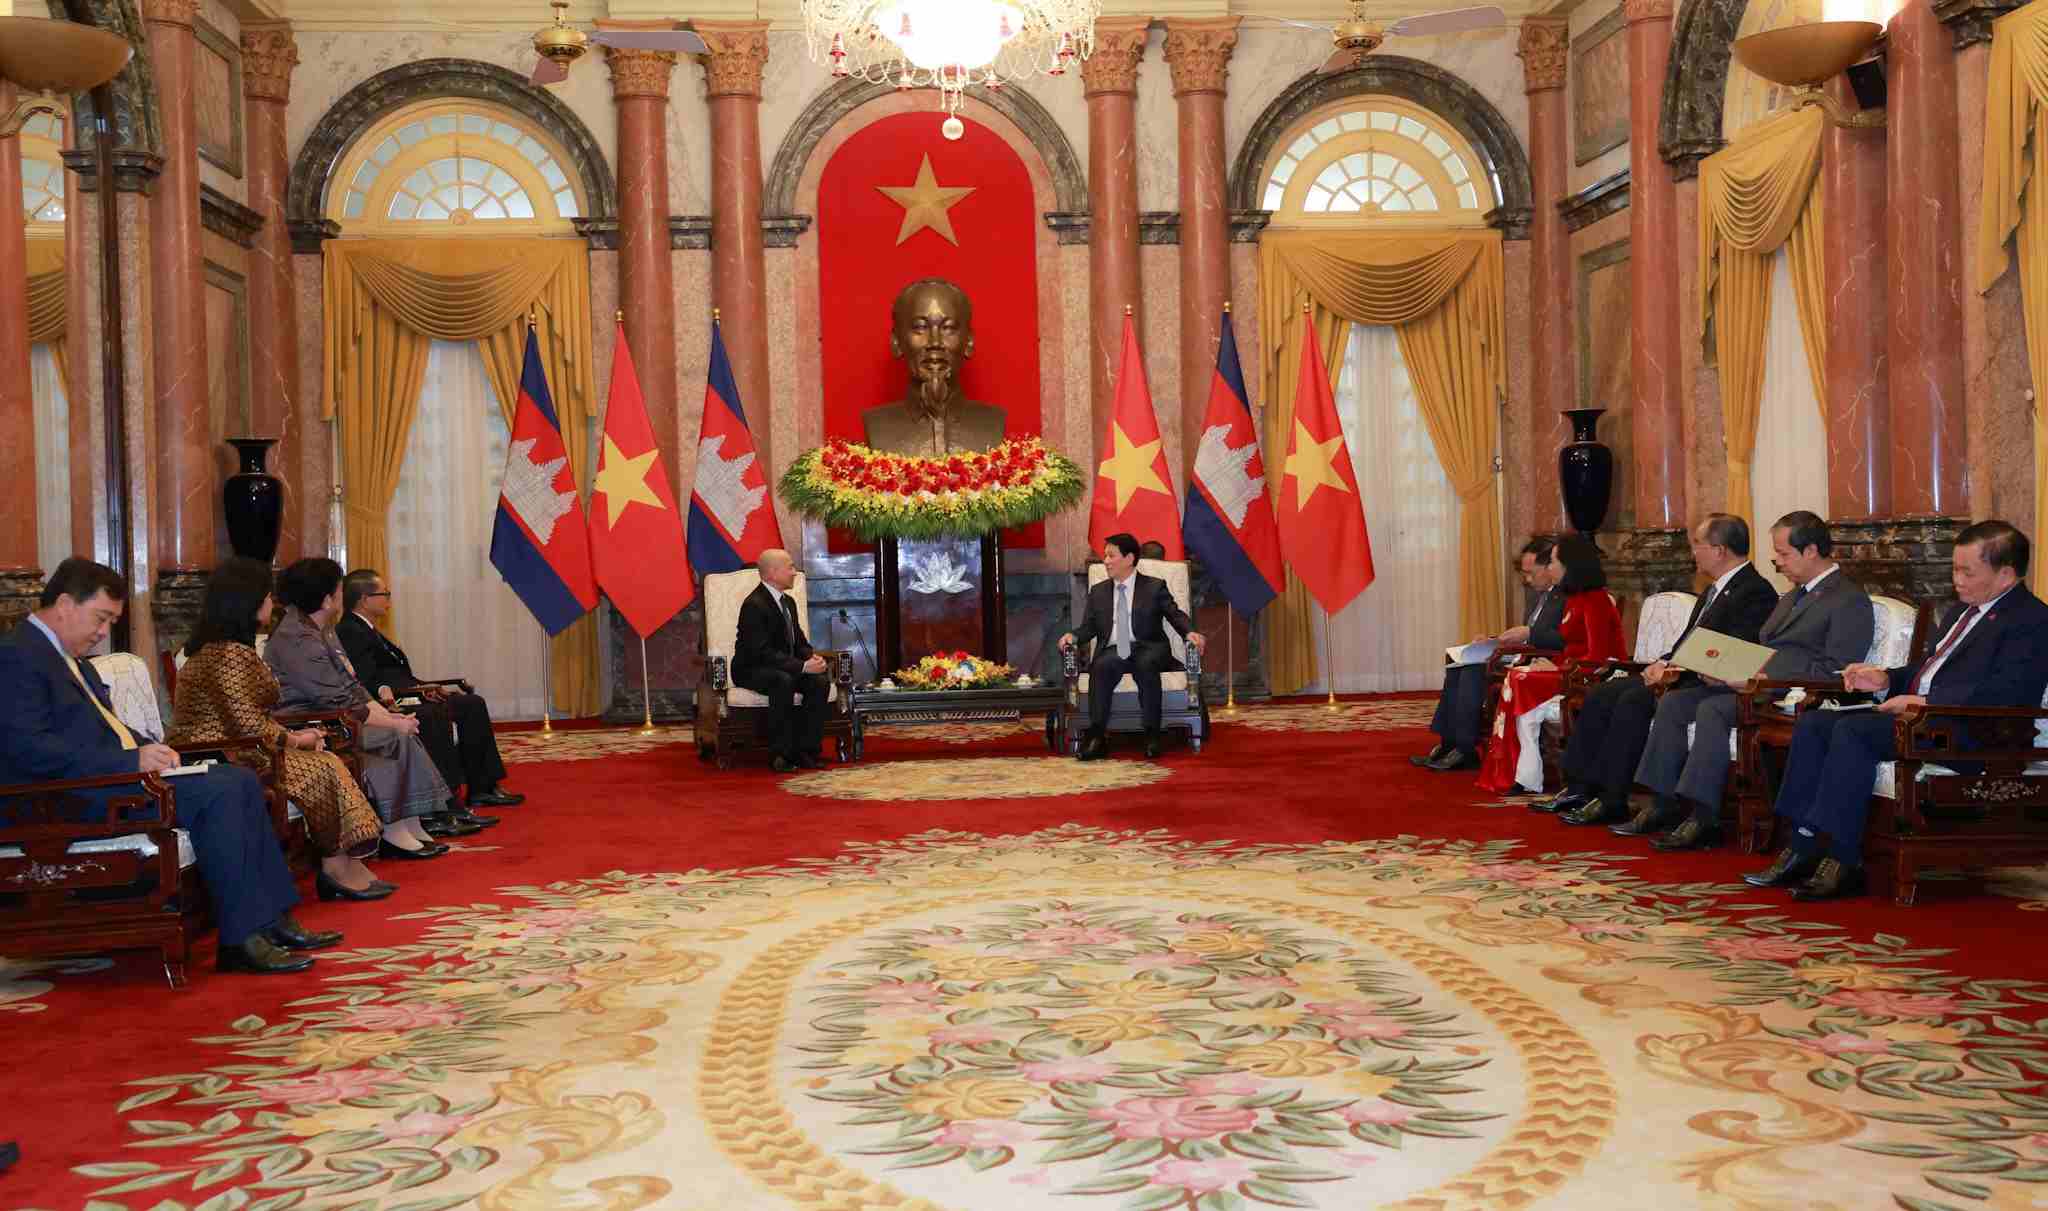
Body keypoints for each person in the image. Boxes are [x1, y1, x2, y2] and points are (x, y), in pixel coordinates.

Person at [0, 558, 338, 974]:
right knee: (221, 790)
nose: (103, 632)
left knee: (241, 780)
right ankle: (240, 940)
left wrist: (150, 748)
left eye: (110, 622)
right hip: (62, 796)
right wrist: (129, 760)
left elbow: (107, 729)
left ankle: (272, 920)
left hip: (106, 779)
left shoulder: (68, 656)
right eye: (101, 618)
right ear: (66, 604)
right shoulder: (17, 656)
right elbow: (27, 749)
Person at [1745, 520, 2048, 900]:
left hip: (1974, 731)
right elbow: (1927, 671)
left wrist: (1927, 702)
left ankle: (1843, 859)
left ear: (2005, 574)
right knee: (1816, 723)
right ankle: (1801, 843)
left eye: (1967, 572)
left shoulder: (2031, 620)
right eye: (1954, 569)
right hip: (1925, 719)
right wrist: (1885, 679)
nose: (1956, 580)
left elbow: (2010, 693)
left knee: (1852, 731)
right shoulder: (1961, 611)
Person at [1623, 511, 1874, 851]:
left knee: (1712, 709)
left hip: (1787, 693)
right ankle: (1662, 802)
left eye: (1783, 554)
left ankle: (1704, 817)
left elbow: (1837, 668)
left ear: (1811, 551)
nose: (1778, 563)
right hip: (1754, 683)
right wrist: (1725, 667)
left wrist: (1767, 676)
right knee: (1675, 702)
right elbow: (1761, 645)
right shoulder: (1793, 596)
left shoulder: (1847, 599)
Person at [170, 557, 395, 903]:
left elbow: (252, 716)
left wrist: (295, 737)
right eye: (266, 596)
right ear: (247, 602)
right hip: (220, 754)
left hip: (244, 745)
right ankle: (336, 866)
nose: (272, 603)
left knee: (326, 762)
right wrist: (295, 739)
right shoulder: (226, 654)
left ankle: (344, 862)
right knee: (322, 768)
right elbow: (246, 722)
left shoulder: (231, 648)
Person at [1539, 513, 1779, 826]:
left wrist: (1676, 667)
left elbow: (1736, 648)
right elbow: (1687, 642)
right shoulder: (1714, 590)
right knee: (1603, 694)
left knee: (1632, 701)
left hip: (1704, 681)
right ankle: (1581, 787)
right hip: (1682, 672)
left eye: (1698, 544)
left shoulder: (1755, 590)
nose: (1693, 552)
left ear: (1719, 550)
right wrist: (1663, 662)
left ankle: (1614, 799)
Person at [265, 558, 453, 859]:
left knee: (401, 731)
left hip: (337, 714)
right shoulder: (296, 638)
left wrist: (389, 715)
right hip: (312, 722)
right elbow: (333, 700)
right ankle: (393, 829)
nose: (343, 594)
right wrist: (392, 725)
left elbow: (351, 684)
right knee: (392, 737)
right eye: (339, 588)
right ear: (327, 599)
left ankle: (411, 821)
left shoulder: (322, 628)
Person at [338, 569, 520, 817]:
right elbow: (369, 680)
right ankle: (445, 803)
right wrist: (421, 692)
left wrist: (426, 687)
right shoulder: (350, 630)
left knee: (472, 703)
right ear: (364, 599)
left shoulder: (367, 628)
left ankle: (482, 786)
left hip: (409, 692)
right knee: (433, 714)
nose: (389, 599)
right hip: (391, 700)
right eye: (385, 593)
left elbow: (394, 673)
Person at [1476, 537, 1627, 794]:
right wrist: (1549, 663)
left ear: (1570, 565)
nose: (1549, 568)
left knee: (1521, 682)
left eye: (1554, 562)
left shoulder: (1596, 601)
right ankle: (1525, 776)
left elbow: (1597, 657)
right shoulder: (1574, 599)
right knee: (1519, 680)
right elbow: (1571, 649)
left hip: (1595, 678)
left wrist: (1556, 669)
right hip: (1571, 672)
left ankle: (1524, 776)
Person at [1415, 537, 1566, 772]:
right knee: (1458, 664)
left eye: (1531, 573)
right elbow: (1525, 634)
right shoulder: (1538, 594)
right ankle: (1449, 742)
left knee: (1473, 670)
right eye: (1524, 573)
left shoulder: (1565, 597)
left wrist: (1529, 633)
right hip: (1523, 653)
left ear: (1549, 567)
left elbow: (1562, 639)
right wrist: (1494, 639)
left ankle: (1465, 749)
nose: (1527, 580)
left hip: (1542, 661)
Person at [1060, 532, 1207, 760]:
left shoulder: (1154, 586)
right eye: (1105, 556)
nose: (1106, 561)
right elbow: (1089, 627)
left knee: (1145, 665)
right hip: (1114, 649)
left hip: (1149, 647)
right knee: (1100, 667)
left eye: (1111, 555)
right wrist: (1073, 636)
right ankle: (1097, 737)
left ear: (1129, 558)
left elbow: (1175, 614)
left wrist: (1190, 632)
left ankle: (1152, 735)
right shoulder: (1099, 592)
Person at [860, 278, 1007, 455]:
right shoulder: (877, 425)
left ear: (969, 341)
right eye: (920, 327)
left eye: (948, 328)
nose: (935, 342)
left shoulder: (993, 422)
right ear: (896, 341)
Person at [733, 548, 831, 773]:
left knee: (819, 682)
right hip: (751, 669)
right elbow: (761, 652)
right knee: (782, 681)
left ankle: (807, 751)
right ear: (773, 573)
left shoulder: (788, 602)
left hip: (784, 666)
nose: (795, 572)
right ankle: (781, 754)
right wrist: (802, 666)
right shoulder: (754, 604)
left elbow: (799, 642)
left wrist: (811, 658)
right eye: (790, 567)